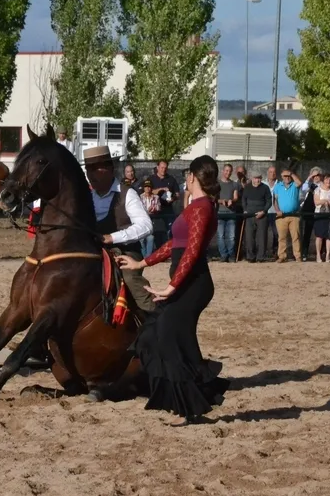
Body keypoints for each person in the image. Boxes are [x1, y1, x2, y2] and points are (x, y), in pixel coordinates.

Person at [115, 155, 229, 426]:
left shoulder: (202, 207)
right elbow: (174, 245)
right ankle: (192, 397)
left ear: (192, 176)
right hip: (184, 283)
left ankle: (194, 403)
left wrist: (171, 286)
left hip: (194, 285)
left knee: (170, 338)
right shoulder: (194, 206)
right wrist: (141, 263)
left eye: (187, 174)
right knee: (159, 334)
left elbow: (192, 250)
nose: (185, 178)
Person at [82, 145, 155, 313]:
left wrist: (112, 237)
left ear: (110, 168)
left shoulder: (127, 194)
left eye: (95, 169)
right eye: (88, 169)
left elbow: (146, 225)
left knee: (130, 278)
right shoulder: (87, 197)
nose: (90, 174)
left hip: (126, 252)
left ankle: (154, 316)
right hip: (93, 251)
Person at [241, 173, 272, 263]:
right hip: (249, 215)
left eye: (259, 178)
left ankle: (260, 257)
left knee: (262, 237)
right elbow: (243, 199)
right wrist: (245, 209)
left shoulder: (265, 188)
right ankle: (250, 257)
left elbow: (269, 201)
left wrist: (264, 211)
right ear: (252, 178)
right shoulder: (247, 187)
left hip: (262, 215)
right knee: (249, 237)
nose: (257, 180)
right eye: (255, 178)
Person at [216, 164, 242, 262]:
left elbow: (236, 197)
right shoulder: (217, 184)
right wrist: (221, 201)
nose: (228, 172)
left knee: (231, 236)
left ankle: (231, 255)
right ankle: (224, 255)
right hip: (220, 212)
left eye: (230, 171)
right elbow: (214, 198)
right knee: (220, 236)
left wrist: (232, 200)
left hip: (231, 213)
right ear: (223, 171)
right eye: (226, 170)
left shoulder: (234, 184)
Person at [312, 173, 330, 262]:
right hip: (320, 215)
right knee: (319, 236)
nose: (329, 181)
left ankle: (328, 255)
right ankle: (318, 255)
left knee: (329, 236)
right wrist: (325, 200)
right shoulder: (318, 190)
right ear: (323, 180)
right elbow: (316, 202)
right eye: (327, 179)